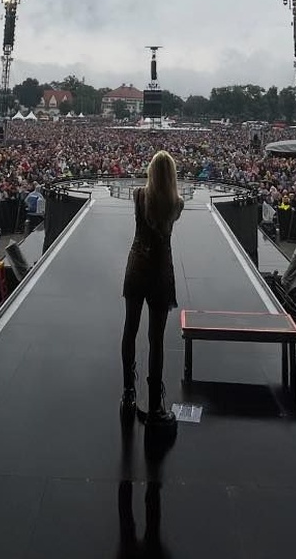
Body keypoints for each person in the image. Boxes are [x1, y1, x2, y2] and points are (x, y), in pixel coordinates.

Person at [122, 150, 185, 426]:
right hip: (160, 270)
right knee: (156, 339)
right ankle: (156, 401)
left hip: (137, 266)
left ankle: (128, 391)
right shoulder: (177, 203)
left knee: (130, 329)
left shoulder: (137, 195)